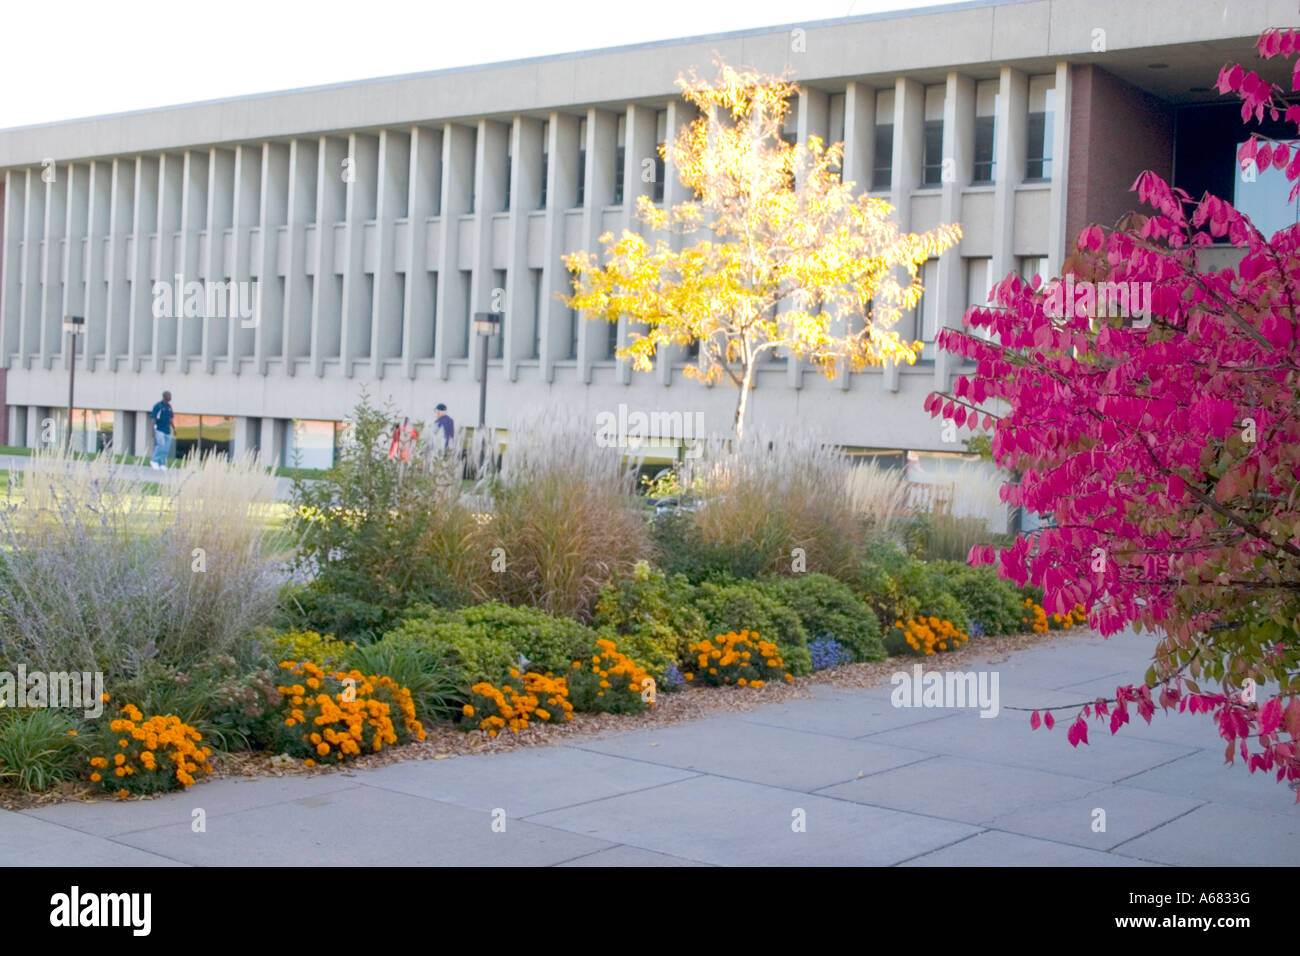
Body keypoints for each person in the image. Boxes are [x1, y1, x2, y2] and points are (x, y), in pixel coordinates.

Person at [149, 391, 174, 470]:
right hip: (159, 429)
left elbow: (170, 419)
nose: (170, 397)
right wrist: (152, 430)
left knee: (166, 448)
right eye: (169, 395)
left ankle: (162, 463)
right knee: (161, 445)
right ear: (164, 396)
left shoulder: (169, 406)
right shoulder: (158, 406)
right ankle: (154, 461)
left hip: (167, 430)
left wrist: (174, 428)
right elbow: (153, 419)